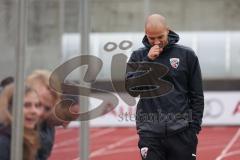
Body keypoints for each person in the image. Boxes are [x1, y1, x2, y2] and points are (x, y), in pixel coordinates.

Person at [125, 14, 204, 160]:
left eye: (160, 37)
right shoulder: (138, 56)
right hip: (150, 134)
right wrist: (148, 61)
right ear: (145, 34)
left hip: (182, 133)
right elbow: (131, 90)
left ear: (168, 30)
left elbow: (197, 95)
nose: (156, 42)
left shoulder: (186, 55)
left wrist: (193, 128)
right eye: (151, 38)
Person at [0, 84, 42, 160]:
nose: (34, 111)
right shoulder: (3, 144)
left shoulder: (29, 139)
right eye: (27, 105)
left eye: (37, 105)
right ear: (9, 109)